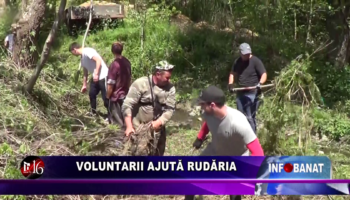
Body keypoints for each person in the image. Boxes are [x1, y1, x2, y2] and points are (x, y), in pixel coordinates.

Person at [189, 85, 264, 200]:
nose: (201, 106)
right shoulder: (208, 113)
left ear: (212, 105)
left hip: (236, 157)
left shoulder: (238, 122)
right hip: (215, 149)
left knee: (234, 191)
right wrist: (200, 137)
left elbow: (258, 152)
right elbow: (207, 124)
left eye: (203, 104)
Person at [121, 60, 176, 156]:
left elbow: (170, 109)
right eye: (167, 78)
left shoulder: (170, 88)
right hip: (139, 128)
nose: (169, 80)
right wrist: (129, 126)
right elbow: (127, 105)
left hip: (158, 129)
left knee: (158, 154)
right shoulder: (140, 84)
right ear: (158, 74)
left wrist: (159, 122)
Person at [228, 43, 267, 134]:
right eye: (245, 54)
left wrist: (260, 83)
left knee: (249, 117)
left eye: (248, 54)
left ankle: (252, 139)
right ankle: (242, 137)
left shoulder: (255, 61)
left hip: (252, 92)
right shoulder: (237, 62)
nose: (247, 55)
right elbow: (232, 73)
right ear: (240, 53)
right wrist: (230, 84)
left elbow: (264, 74)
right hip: (241, 92)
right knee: (240, 116)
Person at [69, 42, 109, 117]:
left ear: (74, 50)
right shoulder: (82, 58)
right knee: (92, 94)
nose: (73, 55)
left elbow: (98, 60)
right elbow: (85, 72)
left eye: (72, 53)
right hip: (95, 78)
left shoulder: (87, 51)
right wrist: (84, 84)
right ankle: (93, 113)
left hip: (103, 76)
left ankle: (111, 115)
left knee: (105, 97)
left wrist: (96, 73)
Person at [106, 42, 132, 126]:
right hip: (126, 94)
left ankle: (119, 137)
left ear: (112, 51)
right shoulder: (127, 62)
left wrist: (107, 96)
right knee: (126, 118)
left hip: (116, 97)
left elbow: (111, 84)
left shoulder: (114, 65)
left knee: (117, 122)